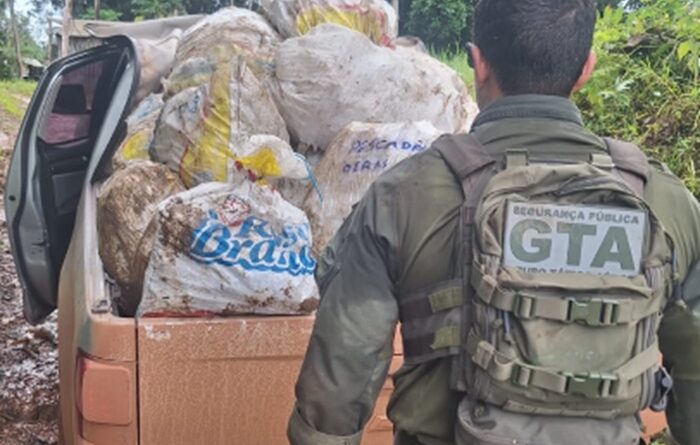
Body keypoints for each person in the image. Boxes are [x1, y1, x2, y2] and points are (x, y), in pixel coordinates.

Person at [287, 1, 700, 444]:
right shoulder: (664, 201)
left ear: (478, 63)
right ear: (586, 68)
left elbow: (339, 384)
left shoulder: (403, 195)